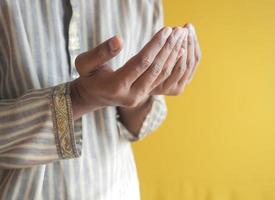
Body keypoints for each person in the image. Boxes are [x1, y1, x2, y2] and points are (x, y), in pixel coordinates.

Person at [0, 0, 201, 199]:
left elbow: (139, 125)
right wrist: (78, 98)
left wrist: (139, 93)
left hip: (118, 189)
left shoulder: (143, 4)